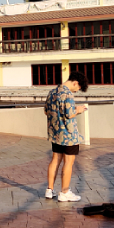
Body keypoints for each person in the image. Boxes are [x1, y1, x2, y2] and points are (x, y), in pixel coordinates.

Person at [44, 71, 89, 202]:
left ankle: (49, 190)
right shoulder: (68, 94)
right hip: (69, 135)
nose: (76, 91)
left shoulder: (52, 92)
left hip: (55, 133)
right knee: (68, 162)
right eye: (78, 88)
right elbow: (69, 114)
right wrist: (79, 110)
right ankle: (64, 192)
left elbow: (46, 111)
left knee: (55, 160)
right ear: (75, 82)